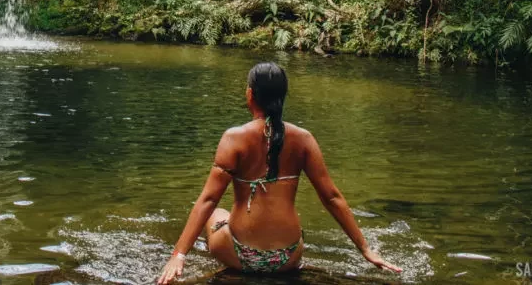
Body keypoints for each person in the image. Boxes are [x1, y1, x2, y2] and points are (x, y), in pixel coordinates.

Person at [157, 62, 402, 284]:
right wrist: (365, 249)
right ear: (283, 96)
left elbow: (209, 200)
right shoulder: (304, 139)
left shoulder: (234, 138)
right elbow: (332, 197)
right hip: (289, 256)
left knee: (218, 213)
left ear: (250, 93)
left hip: (240, 254)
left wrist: (178, 255)